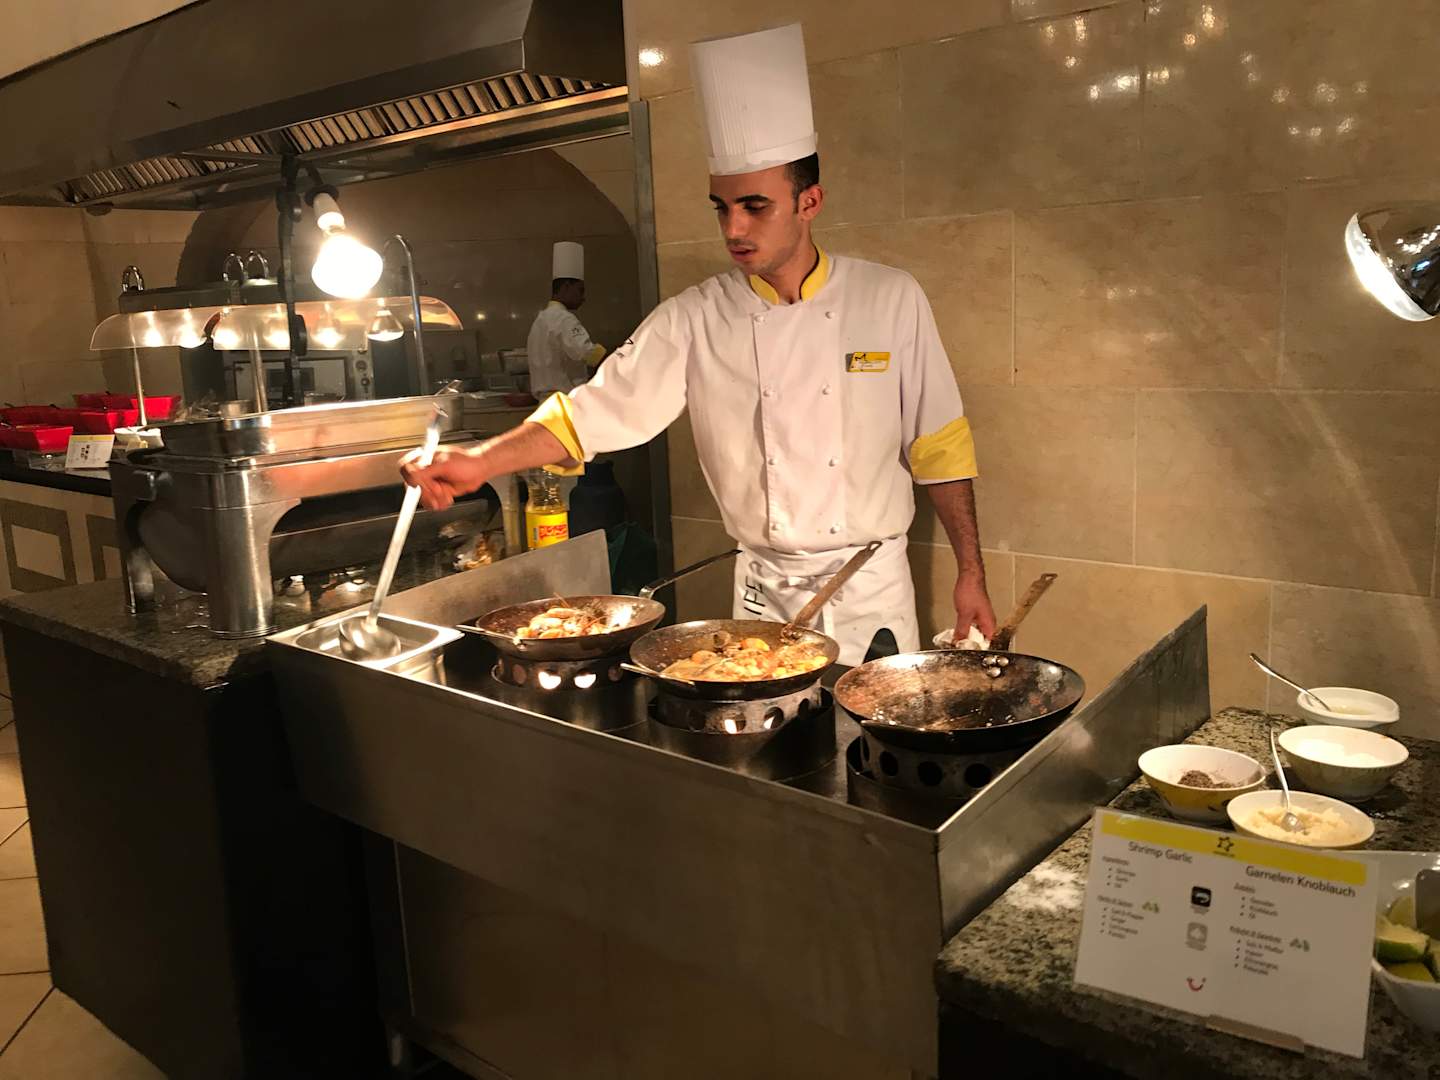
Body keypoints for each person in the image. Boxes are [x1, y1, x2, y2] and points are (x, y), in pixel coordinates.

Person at [406, 23, 996, 664]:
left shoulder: (890, 297)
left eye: (755, 206)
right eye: (721, 207)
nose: (733, 228)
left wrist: (971, 573)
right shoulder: (694, 317)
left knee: (867, 724)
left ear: (810, 202)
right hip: (764, 593)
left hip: (872, 588)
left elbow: (940, 445)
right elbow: (589, 414)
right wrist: (479, 462)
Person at [525, 241, 605, 399]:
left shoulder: (540, 320)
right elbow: (588, 354)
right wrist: (622, 356)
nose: (583, 298)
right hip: (564, 402)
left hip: (545, 403)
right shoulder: (564, 319)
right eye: (580, 291)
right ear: (566, 286)